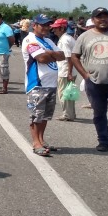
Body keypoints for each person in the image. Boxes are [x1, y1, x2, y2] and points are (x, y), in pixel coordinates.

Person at [70, 7, 108, 152]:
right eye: (99, 17)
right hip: (94, 82)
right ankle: (104, 141)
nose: (103, 19)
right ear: (93, 20)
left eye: (106, 16)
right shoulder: (85, 36)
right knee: (99, 113)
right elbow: (74, 56)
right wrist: (85, 75)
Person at [21, 15, 64, 157]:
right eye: (43, 25)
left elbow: (62, 55)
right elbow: (42, 58)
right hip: (37, 84)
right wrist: (52, 55)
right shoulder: (30, 40)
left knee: (45, 116)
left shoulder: (47, 41)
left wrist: (50, 52)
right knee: (36, 115)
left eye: (48, 25)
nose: (46, 28)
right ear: (35, 25)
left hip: (51, 83)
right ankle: (36, 143)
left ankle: (41, 139)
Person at [51, 18, 76, 122]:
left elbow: (69, 57)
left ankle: (67, 114)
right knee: (69, 94)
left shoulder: (64, 40)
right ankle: (71, 113)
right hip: (69, 70)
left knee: (64, 94)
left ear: (62, 28)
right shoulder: (68, 38)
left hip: (65, 71)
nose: (54, 30)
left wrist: (69, 73)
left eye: (56, 28)